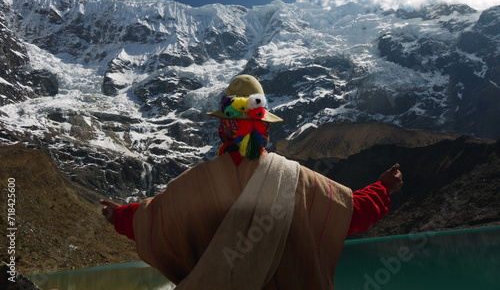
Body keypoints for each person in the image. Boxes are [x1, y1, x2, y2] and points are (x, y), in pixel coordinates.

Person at [100, 74, 403, 289]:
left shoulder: (192, 185)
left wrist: (118, 215)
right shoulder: (295, 179)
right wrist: (383, 187)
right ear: (263, 128)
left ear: (224, 127)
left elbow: (149, 220)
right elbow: (351, 212)